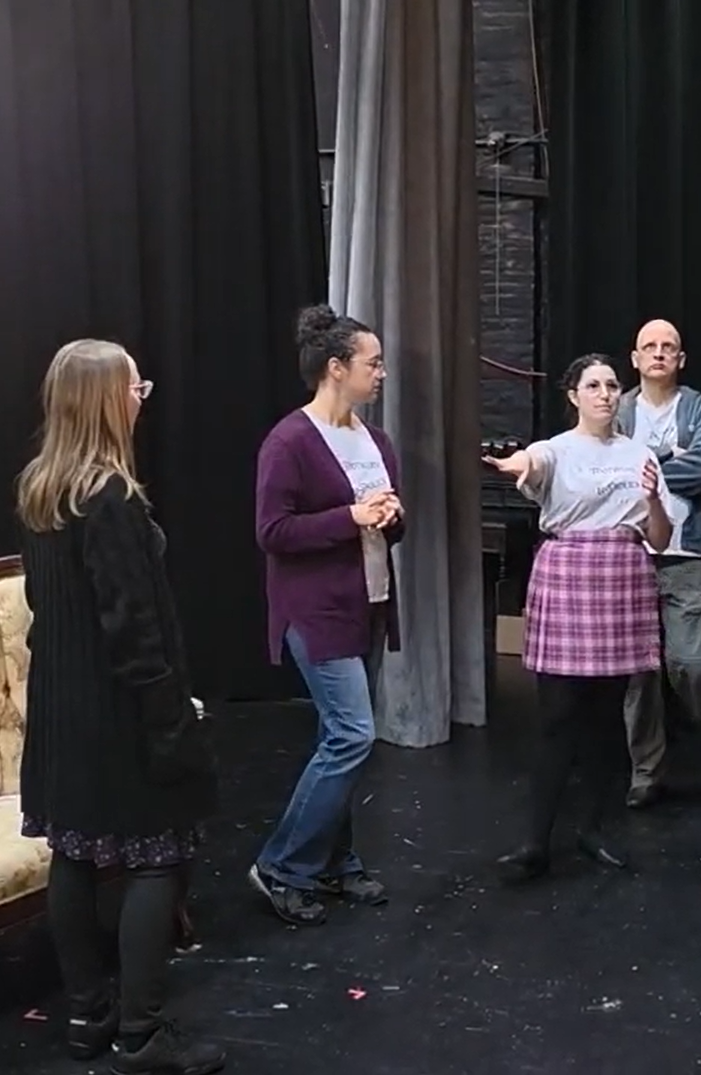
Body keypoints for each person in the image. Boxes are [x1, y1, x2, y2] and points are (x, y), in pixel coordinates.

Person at [17, 340, 223, 1075]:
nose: (143, 396)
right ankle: (139, 1032)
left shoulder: (42, 490)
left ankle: (86, 1013)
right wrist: (171, 716)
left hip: (61, 709)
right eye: (136, 385)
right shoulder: (110, 501)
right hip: (116, 715)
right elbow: (134, 630)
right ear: (107, 398)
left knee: (73, 851)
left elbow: (45, 609)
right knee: (157, 858)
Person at [486, 354, 672, 881]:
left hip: (622, 575)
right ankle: (534, 841)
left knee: (608, 718)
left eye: (613, 385)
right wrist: (516, 463)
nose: (605, 394)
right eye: (593, 385)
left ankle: (594, 830)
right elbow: (533, 462)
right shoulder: (558, 449)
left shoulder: (640, 454)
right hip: (569, 574)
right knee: (557, 716)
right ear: (573, 395)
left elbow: (658, 537)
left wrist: (655, 498)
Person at [251, 304, 404, 926]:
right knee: (351, 735)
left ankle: (336, 863)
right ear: (336, 368)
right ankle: (282, 866)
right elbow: (272, 530)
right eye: (373, 363)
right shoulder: (290, 441)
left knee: (340, 739)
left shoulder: (377, 441)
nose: (382, 373)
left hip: (366, 603)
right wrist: (351, 517)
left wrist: (391, 517)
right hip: (315, 612)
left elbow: (385, 525)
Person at [617, 319, 701, 805]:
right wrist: (669, 453)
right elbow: (614, 471)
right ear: (634, 358)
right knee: (640, 672)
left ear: (681, 359)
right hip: (630, 552)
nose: (658, 353)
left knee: (692, 663)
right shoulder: (618, 408)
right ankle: (645, 771)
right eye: (648, 346)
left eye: (668, 347)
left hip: (688, 554)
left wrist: (643, 460)